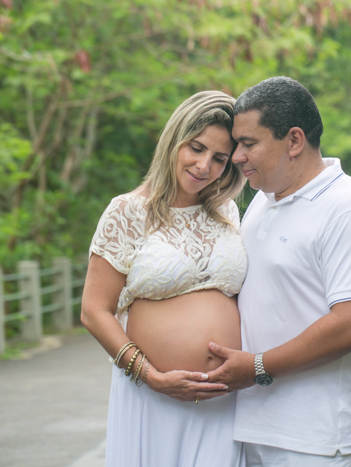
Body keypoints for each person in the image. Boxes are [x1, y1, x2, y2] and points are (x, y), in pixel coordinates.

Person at [207, 76, 351, 466]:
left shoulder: (349, 208)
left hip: (323, 436)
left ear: (293, 140)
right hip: (256, 425)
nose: (236, 156)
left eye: (249, 143)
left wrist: (257, 367)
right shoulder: (261, 202)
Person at [81, 91, 247, 466]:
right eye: (197, 148)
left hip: (224, 399)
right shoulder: (127, 211)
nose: (205, 165)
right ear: (175, 140)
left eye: (219, 158)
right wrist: (151, 376)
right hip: (152, 396)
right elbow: (94, 311)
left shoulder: (227, 213)